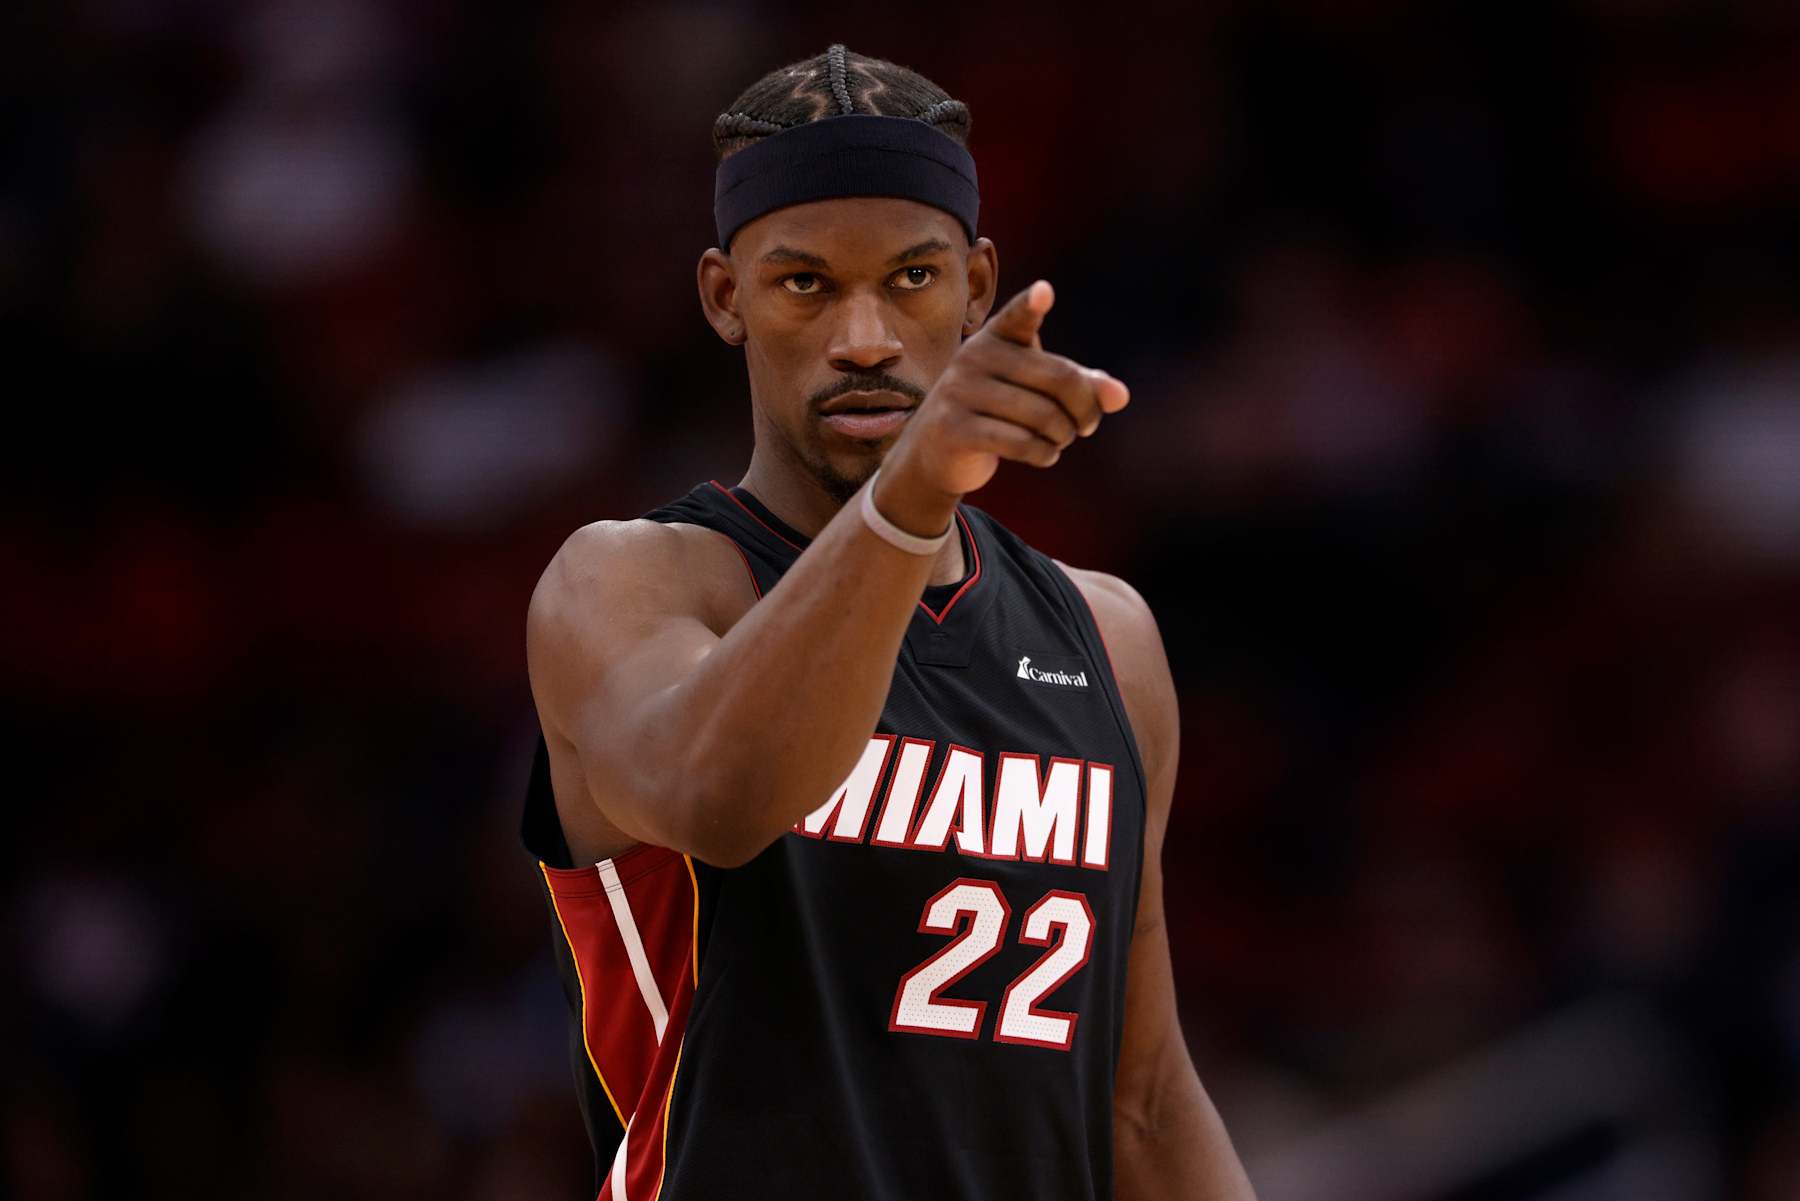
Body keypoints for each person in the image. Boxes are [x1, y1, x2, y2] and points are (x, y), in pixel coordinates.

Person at [522, 44, 1256, 1201]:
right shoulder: (636, 582)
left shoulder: (1109, 638)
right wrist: (911, 497)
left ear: (977, 284)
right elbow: (721, 799)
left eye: (911, 280)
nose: (863, 338)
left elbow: (1145, 1098)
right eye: (804, 282)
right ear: (725, 297)